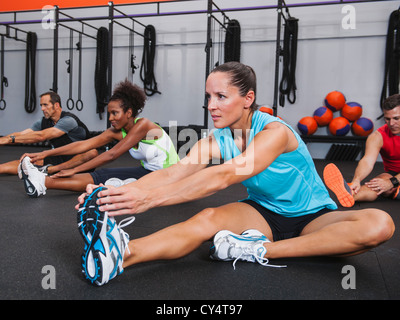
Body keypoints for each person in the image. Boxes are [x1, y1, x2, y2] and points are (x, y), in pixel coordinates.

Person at [76, 62, 395, 286]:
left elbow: (227, 175)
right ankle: (120, 256)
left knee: (379, 226)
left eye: (221, 97)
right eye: (208, 97)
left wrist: (149, 200)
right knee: (205, 220)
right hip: (263, 214)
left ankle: (255, 250)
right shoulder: (216, 139)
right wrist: (121, 194)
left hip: (313, 216)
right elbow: (176, 173)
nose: (211, 105)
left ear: (248, 99)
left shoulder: (274, 133)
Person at [19, 80, 179, 197]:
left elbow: (111, 154)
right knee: (103, 175)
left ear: (129, 113)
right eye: (109, 113)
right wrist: (44, 154)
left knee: (109, 179)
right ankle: (42, 182)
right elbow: (83, 145)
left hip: (170, 176)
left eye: (114, 113)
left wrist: (75, 169)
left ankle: (43, 181)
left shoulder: (144, 125)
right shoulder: (116, 131)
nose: (110, 118)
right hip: (150, 171)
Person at [323, 94, 400, 207]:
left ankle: (394, 190)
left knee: (389, 186)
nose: (391, 124)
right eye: (387, 119)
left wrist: (392, 183)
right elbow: (367, 161)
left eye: (396, 118)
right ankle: (351, 195)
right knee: (377, 184)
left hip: (394, 179)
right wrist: (356, 180)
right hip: (392, 173)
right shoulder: (378, 136)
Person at [0, 91, 97, 176]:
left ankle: (53, 169)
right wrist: (2, 140)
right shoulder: (43, 122)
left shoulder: (68, 120)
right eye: (41, 105)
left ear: (56, 105)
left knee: (92, 152)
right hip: (61, 157)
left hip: (80, 160)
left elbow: (42, 136)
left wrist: (9, 139)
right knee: (27, 162)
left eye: (45, 105)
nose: (42, 109)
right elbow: (22, 135)